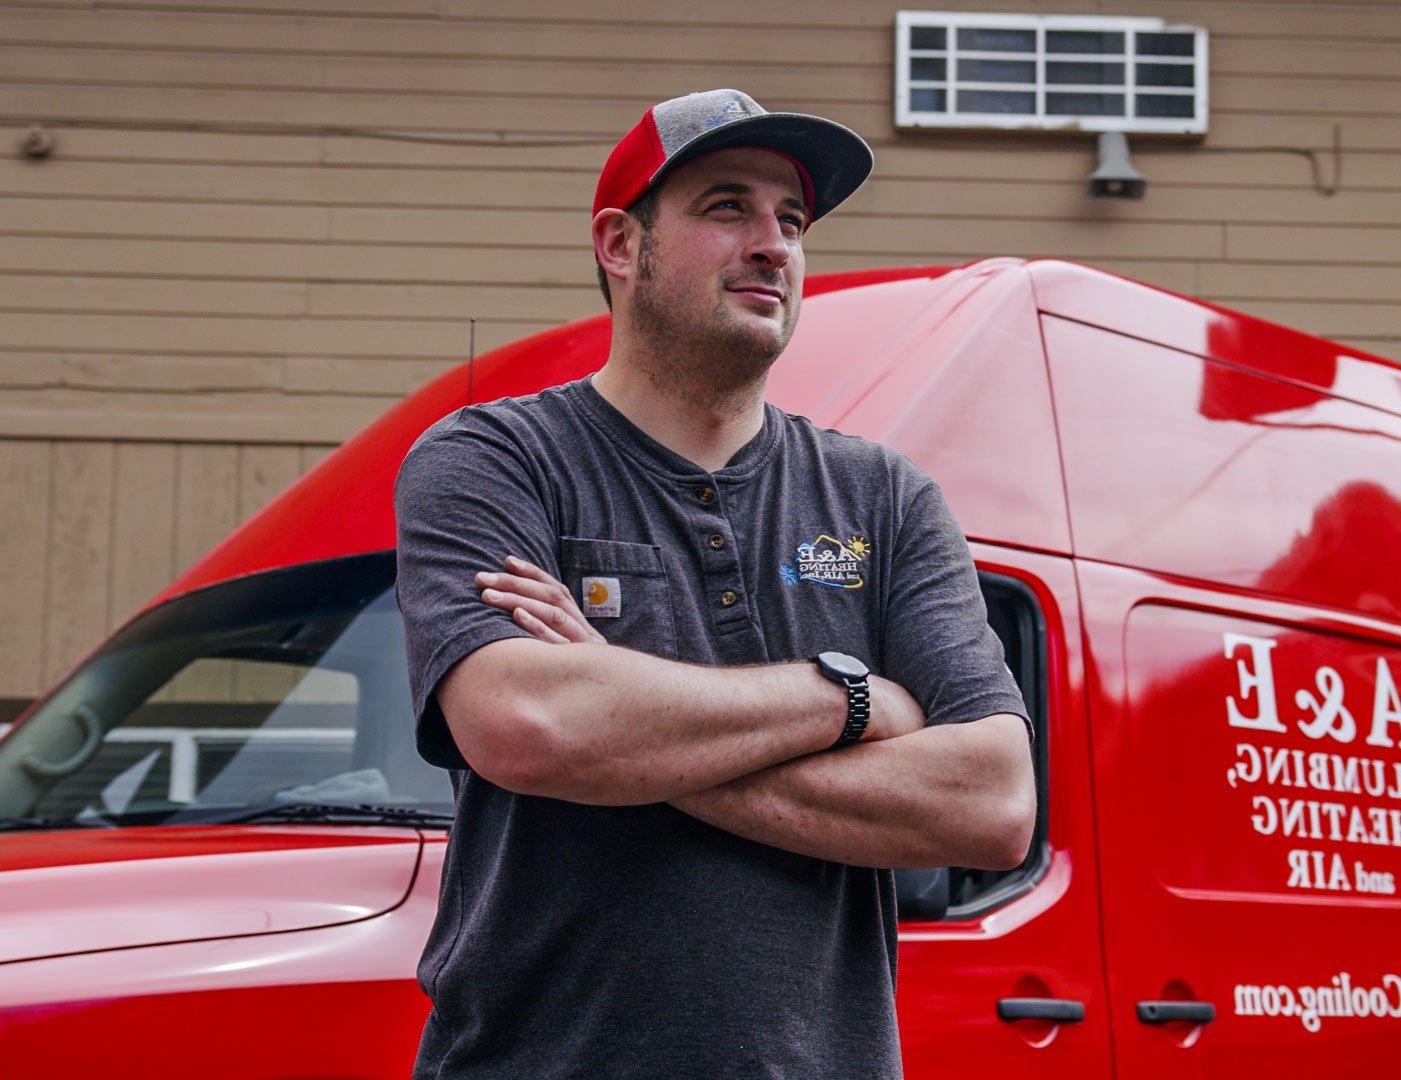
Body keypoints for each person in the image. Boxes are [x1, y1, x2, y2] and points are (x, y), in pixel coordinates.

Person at [392, 88, 1038, 1079]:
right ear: (620, 244)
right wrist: (853, 698)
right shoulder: (494, 458)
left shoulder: (886, 499)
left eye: (792, 219)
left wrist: (626, 724)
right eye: (727, 206)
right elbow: (529, 727)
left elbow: (992, 805)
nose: (774, 244)